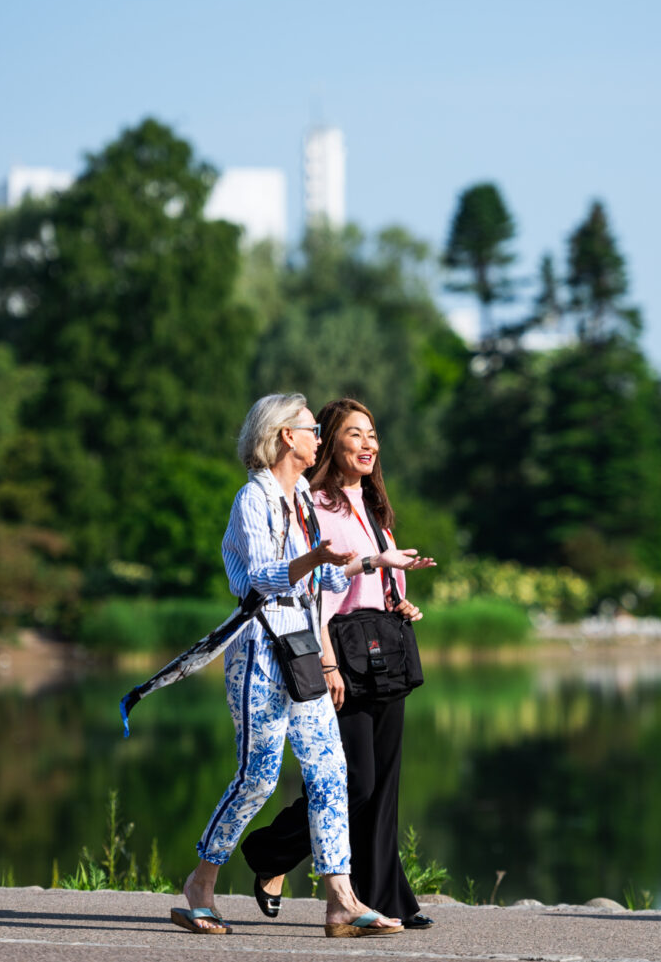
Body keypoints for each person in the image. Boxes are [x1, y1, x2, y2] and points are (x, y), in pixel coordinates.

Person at [175, 393, 429, 938]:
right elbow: (264, 579)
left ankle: (340, 901)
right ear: (286, 436)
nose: (320, 437)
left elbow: (323, 584)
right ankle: (201, 883)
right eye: (313, 429)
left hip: (303, 651)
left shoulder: (303, 505)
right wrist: (315, 559)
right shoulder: (253, 499)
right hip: (259, 653)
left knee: (333, 773)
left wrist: (370, 563)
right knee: (258, 779)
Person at [241, 397, 438, 930]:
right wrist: (326, 662)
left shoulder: (375, 507)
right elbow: (319, 592)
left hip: (385, 652)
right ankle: (269, 852)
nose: (369, 444)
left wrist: (399, 599)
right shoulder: (318, 504)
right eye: (356, 434)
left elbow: (371, 581)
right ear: (329, 441)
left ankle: (386, 900)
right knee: (353, 783)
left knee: (384, 785)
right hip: (342, 657)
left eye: (373, 434)